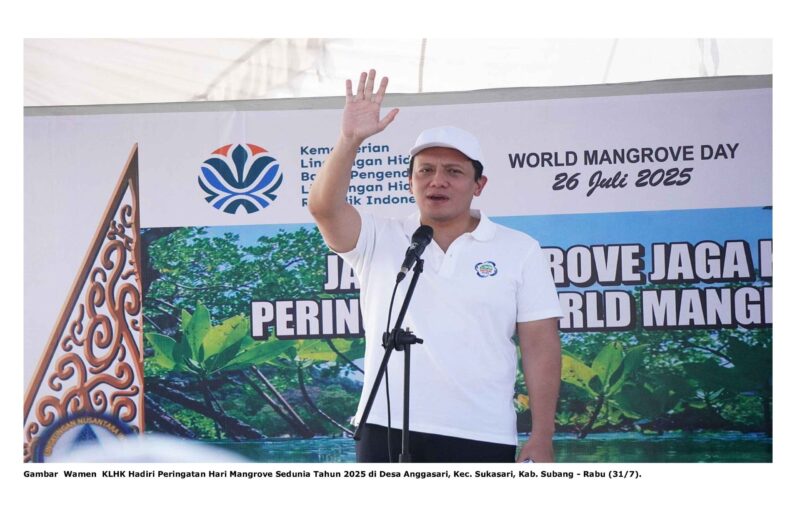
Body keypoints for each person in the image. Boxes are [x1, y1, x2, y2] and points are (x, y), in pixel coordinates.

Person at [308, 69, 563, 463]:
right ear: (410, 181)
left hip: (483, 432)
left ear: (479, 185)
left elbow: (540, 345)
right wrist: (349, 141)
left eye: (453, 172)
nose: (436, 181)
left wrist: (542, 435)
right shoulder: (378, 237)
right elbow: (325, 209)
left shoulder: (519, 249)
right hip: (385, 428)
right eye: (425, 170)